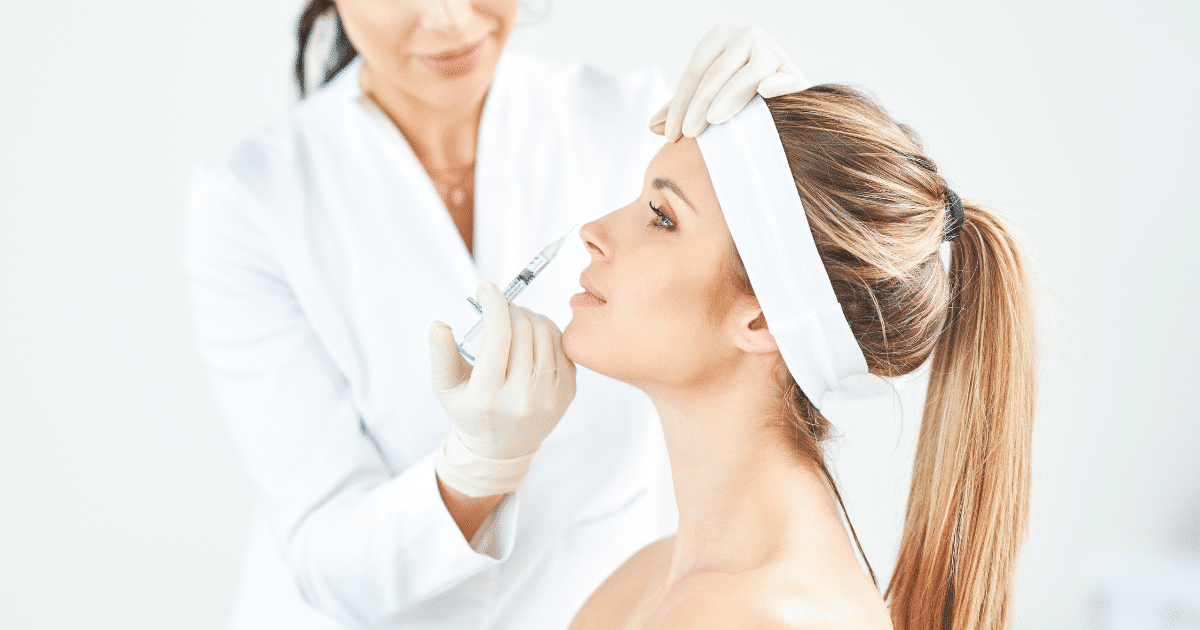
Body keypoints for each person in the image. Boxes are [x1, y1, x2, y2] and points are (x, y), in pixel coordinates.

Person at [184, 0, 806, 625]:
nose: (451, 19)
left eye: (662, 219)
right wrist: (478, 469)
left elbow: (809, 307)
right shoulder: (251, 201)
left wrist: (791, 136)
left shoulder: (636, 125)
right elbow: (327, 561)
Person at [563, 88, 1035, 630]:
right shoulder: (647, 581)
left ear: (764, 319)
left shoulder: (752, 616)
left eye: (662, 217)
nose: (594, 232)